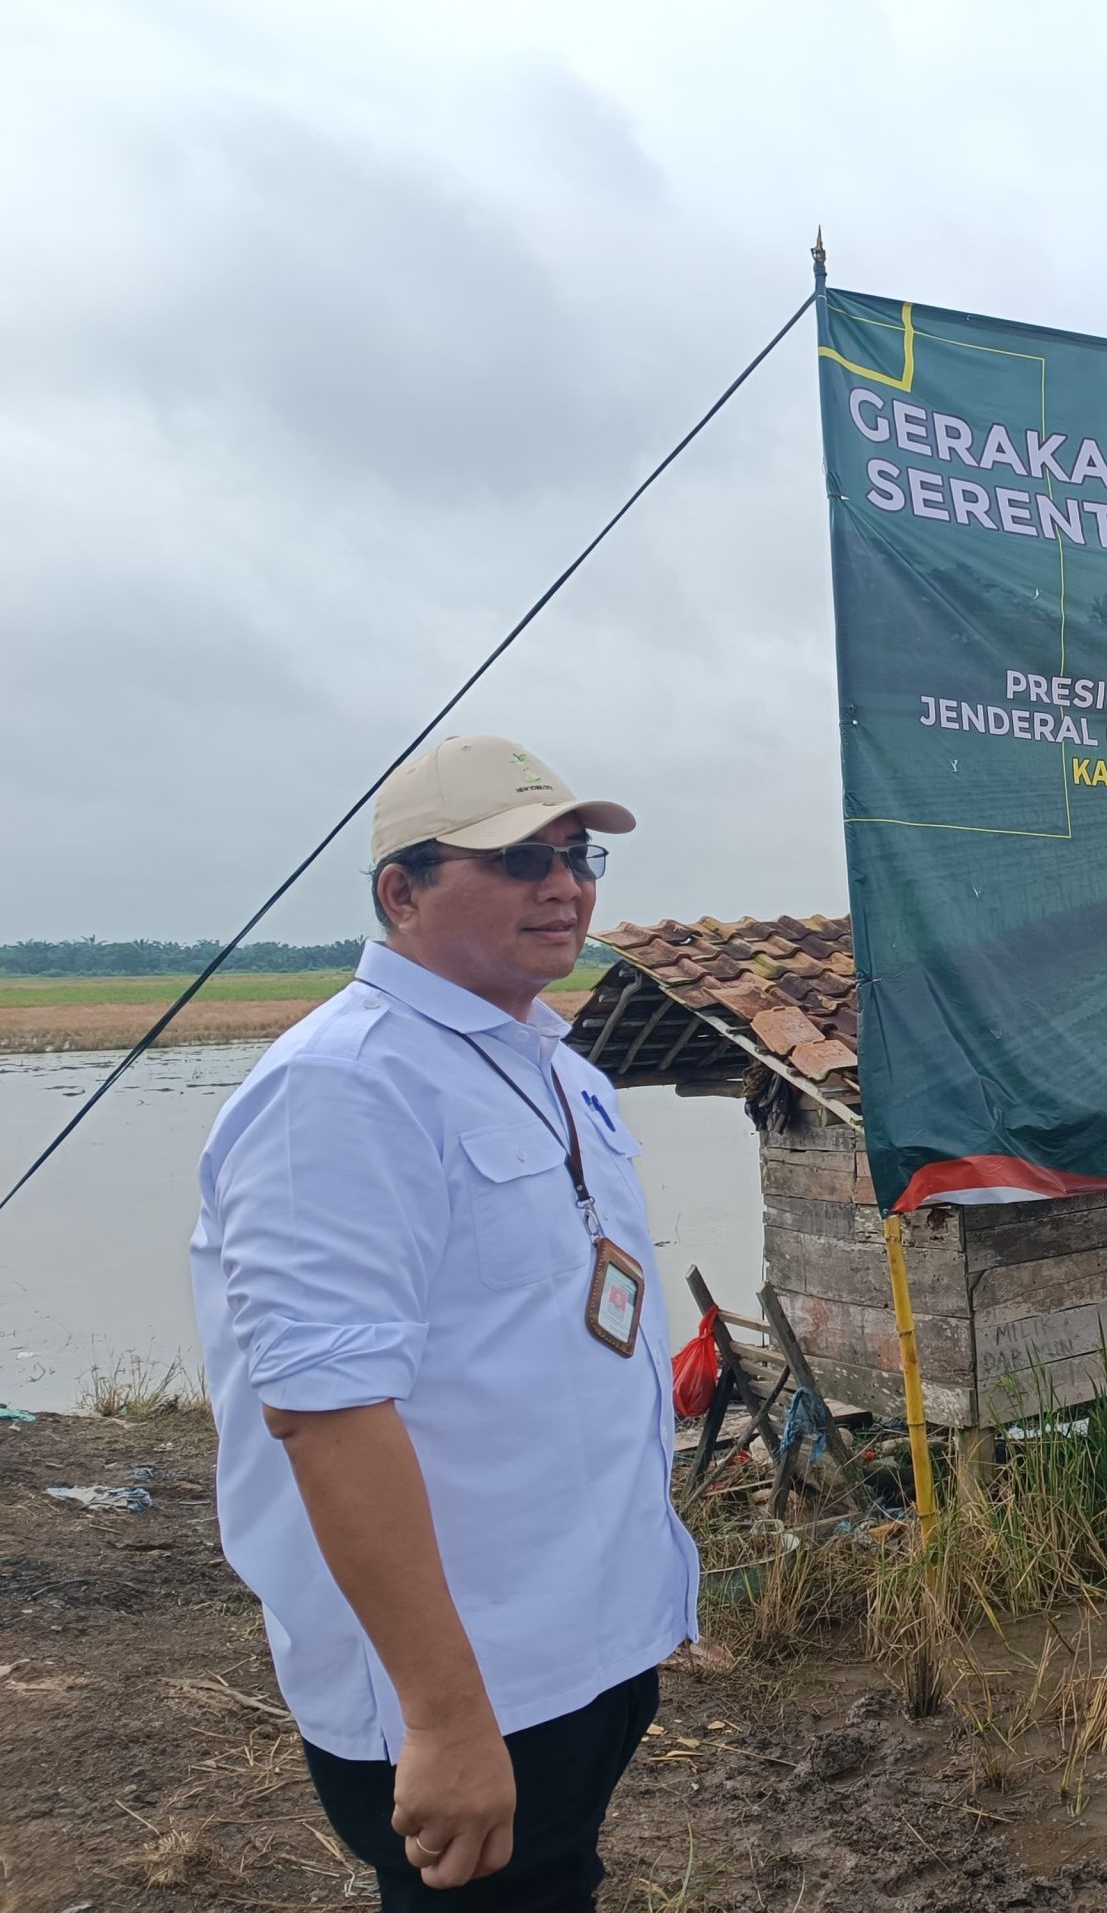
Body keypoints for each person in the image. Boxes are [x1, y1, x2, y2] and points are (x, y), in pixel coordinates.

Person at [190, 734, 698, 1910]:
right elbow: (326, 1413)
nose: (562, 884)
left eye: (576, 857)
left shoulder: (552, 1063)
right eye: (517, 858)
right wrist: (446, 1717)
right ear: (400, 891)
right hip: (472, 1679)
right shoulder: (345, 1085)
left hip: (585, 1641)